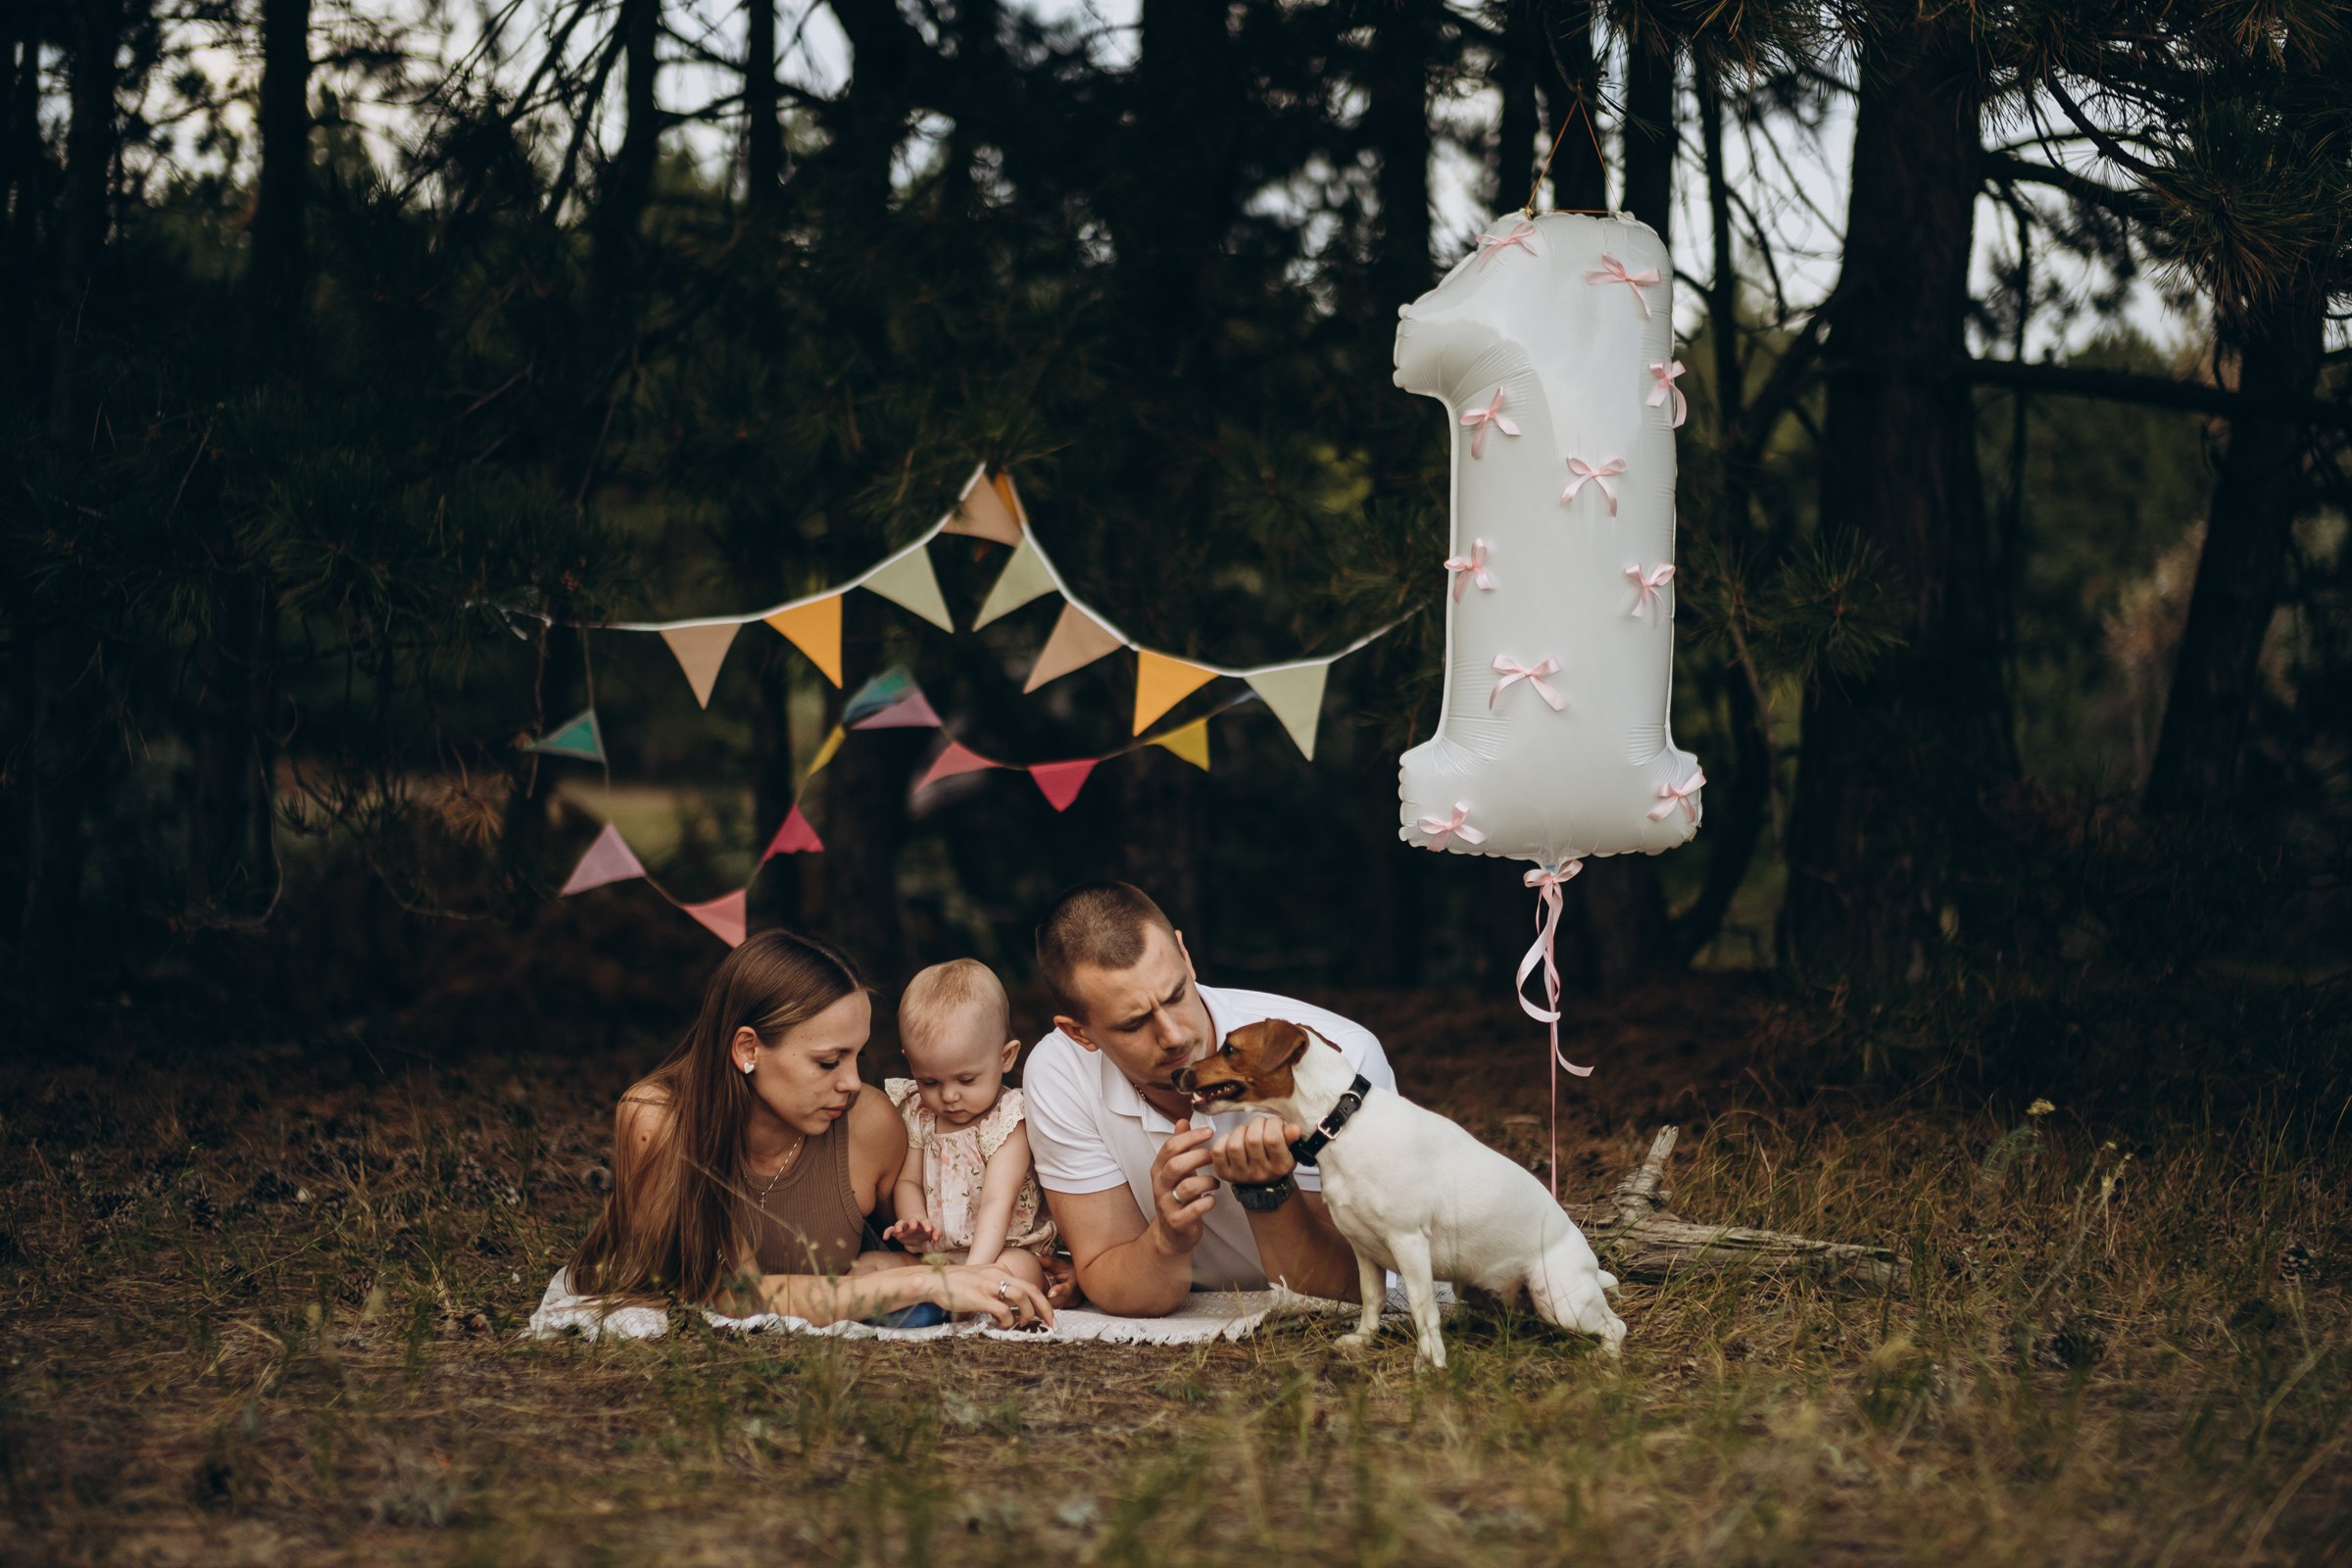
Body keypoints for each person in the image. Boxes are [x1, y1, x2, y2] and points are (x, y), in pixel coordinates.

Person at [566, 929, 1053, 1329]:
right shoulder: (659, 1121)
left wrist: (1041, 1268)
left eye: (856, 1055)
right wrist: (929, 1285)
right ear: (748, 1050)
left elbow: (935, 1242)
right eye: (827, 1062)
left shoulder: (870, 1124)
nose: (852, 1082)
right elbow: (736, 1295)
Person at [1022, 881, 1396, 1316]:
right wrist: (1167, 1238)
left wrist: (1269, 1193)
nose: (1173, 1035)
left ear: (1185, 954)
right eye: (1133, 1024)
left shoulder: (1339, 1057)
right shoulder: (1060, 1072)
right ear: (1079, 1032)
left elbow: (1353, 1293)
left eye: (1177, 995)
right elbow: (1114, 1282)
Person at [878, 959, 1058, 1297]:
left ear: (1006, 1057)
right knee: (869, 1267)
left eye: (966, 1079)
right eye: (929, 1080)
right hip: (938, 1257)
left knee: (1017, 1270)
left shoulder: (1006, 1118)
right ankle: (933, 1296)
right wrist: (915, 1222)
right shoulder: (919, 1113)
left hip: (1001, 1250)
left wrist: (975, 1273)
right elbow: (908, 1181)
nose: (948, 1096)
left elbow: (996, 1202)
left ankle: (969, 1294)